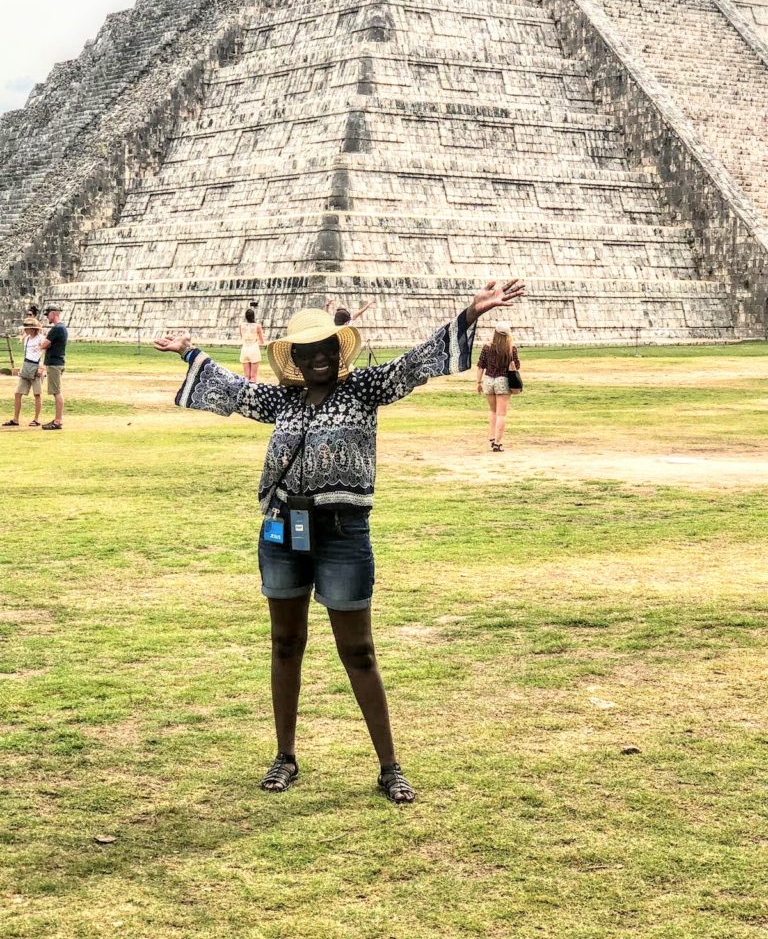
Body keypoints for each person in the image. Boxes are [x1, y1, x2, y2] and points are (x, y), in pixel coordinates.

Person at [154, 279, 525, 805]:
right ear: (296, 361)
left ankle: (389, 766)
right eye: (307, 353)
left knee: (360, 651)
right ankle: (284, 756)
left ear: (338, 351)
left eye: (327, 349)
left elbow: (415, 364)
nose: (319, 359)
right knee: (285, 644)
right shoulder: (281, 400)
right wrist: (188, 352)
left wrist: (468, 314)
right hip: (283, 529)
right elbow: (234, 391)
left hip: (343, 534)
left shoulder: (364, 391)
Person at [476, 322, 521, 453]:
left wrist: (478, 382)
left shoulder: (486, 347)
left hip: (488, 380)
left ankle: (491, 437)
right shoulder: (511, 349)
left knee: (492, 411)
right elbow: (516, 366)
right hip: (503, 380)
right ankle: (498, 442)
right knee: (501, 414)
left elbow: (480, 366)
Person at [3, 317, 45, 428]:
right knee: (18, 393)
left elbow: (44, 353)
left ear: (34, 329)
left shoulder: (41, 338)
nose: (26, 330)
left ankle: (36, 419)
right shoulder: (27, 339)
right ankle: (15, 419)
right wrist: (22, 368)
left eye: (28, 328)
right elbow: (27, 354)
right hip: (27, 365)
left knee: (37, 394)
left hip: (37, 365)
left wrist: (42, 368)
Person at [40, 305, 68, 431]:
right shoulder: (62, 328)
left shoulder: (56, 329)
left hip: (54, 363)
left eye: (48, 314)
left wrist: (43, 344)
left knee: (56, 392)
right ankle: (57, 419)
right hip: (58, 362)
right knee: (56, 391)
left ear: (53, 313)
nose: (47, 317)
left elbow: (44, 344)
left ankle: (58, 421)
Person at [239, 307, 265, 383]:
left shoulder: (241, 325)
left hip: (245, 349)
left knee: (246, 377)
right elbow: (262, 341)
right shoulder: (257, 326)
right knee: (253, 377)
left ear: (246, 316)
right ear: (253, 316)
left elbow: (242, 337)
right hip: (254, 348)